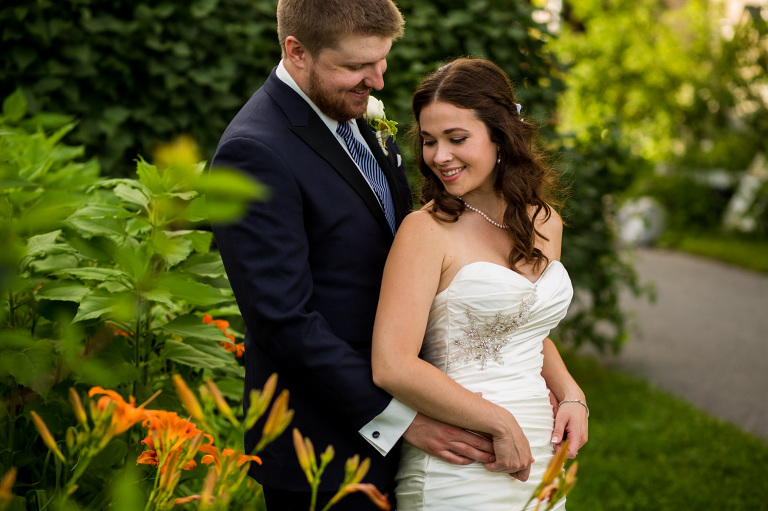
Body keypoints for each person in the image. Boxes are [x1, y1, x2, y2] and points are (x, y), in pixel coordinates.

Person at [210, 3, 495, 510]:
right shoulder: (254, 152)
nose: (378, 82)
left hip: (415, 425)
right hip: (325, 449)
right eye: (358, 67)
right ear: (296, 52)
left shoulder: (354, 112)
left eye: (382, 60)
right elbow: (284, 320)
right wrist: (403, 419)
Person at [371, 57, 589, 510]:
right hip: (461, 460)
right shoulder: (425, 230)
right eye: (429, 141)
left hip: (541, 453)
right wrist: (497, 422)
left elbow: (525, 328)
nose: (439, 156)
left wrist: (572, 394)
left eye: (457, 138)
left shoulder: (545, 222)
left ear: (501, 136)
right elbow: (392, 365)